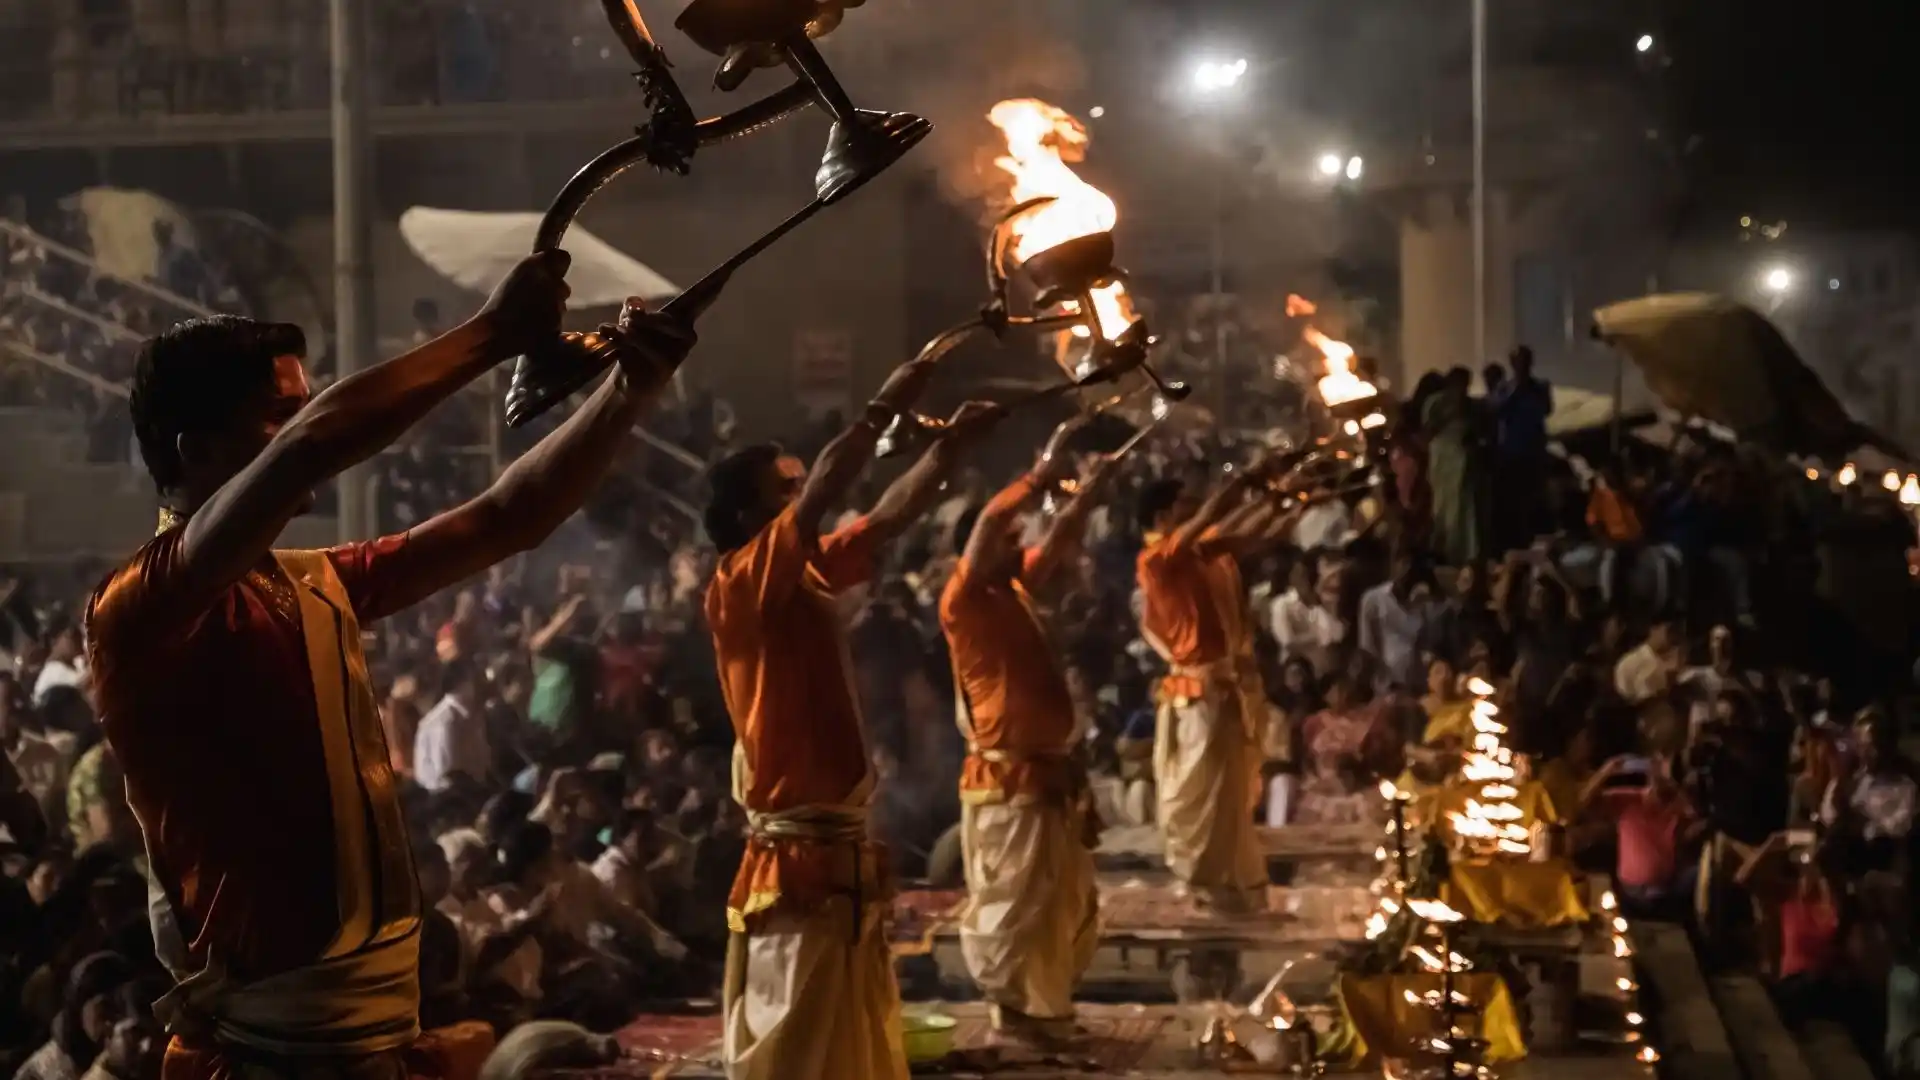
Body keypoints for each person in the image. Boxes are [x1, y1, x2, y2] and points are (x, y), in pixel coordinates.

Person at [84, 254, 695, 1080]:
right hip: (273, 1054)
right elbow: (312, 449)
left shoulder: (313, 581)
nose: (305, 428)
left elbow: (507, 518)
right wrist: (489, 336)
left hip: (374, 1037)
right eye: (278, 415)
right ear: (195, 451)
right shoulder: (139, 607)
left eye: (300, 411)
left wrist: (630, 392)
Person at [701, 348, 1005, 1080]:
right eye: (786, 489)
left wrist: (946, 452)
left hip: (835, 833)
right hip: (799, 839)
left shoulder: (804, 565)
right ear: (749, 514)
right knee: (799, 1030)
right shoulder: (742, 581)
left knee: (847, 1026)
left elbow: (888, 515)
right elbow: (834, 484)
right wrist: (898, 389)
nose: (804, 494)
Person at [939, 429, 1112, 1043]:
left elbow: (1061, 537)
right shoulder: (963, 599)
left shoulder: (1012, 590)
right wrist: (1038, 474)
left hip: (1047, 775)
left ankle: (1046, 1011)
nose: (1020, 543)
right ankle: (1016, 1015)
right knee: (1014, 907)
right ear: (977, 553)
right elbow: (988, 523)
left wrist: (1089, 494)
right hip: (1007, 781)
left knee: (1060, 901)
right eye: (1012, 539)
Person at [1134, 471, 1288, 911]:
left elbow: (1253, 534)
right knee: (1206, 793)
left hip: (1227, 686)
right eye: (1186, 503)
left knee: (1231, 794)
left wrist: (1285, 497)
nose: (1197, 506)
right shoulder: (1156, 559)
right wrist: (1242, 484)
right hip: (1199, 692)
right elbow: (1212, 519)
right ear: (1164, 517)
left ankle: (1234, 890)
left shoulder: (1203, 551)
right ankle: (1206, 886)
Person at [1423, 367, 1489, 566]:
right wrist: (1450, 411)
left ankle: (1467, 555)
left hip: (1465, 464)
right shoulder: (1435, 402)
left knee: (1465, 511)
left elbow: (1479, 430)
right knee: (1444, 509)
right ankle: (1446, 553)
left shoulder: (1473, 405)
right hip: (1443, 463)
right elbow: (1428, 430)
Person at [414, 657, 493, 793]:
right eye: (479, 678)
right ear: (461, 684)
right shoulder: (445, 723)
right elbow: (449, 777)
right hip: (450, 801)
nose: (485, 684)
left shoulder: (474, 714)